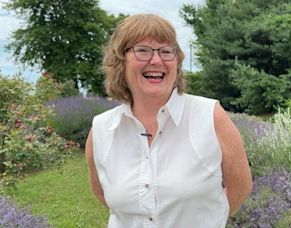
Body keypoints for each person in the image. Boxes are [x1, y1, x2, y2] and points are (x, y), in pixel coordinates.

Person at [85, 13, 253, 228]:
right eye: (142, 50)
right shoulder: (101, 129)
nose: (156, 60)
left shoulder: (209, 115)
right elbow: (102, 193)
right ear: (120, 61)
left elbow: (241, 186)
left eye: (166, 51)